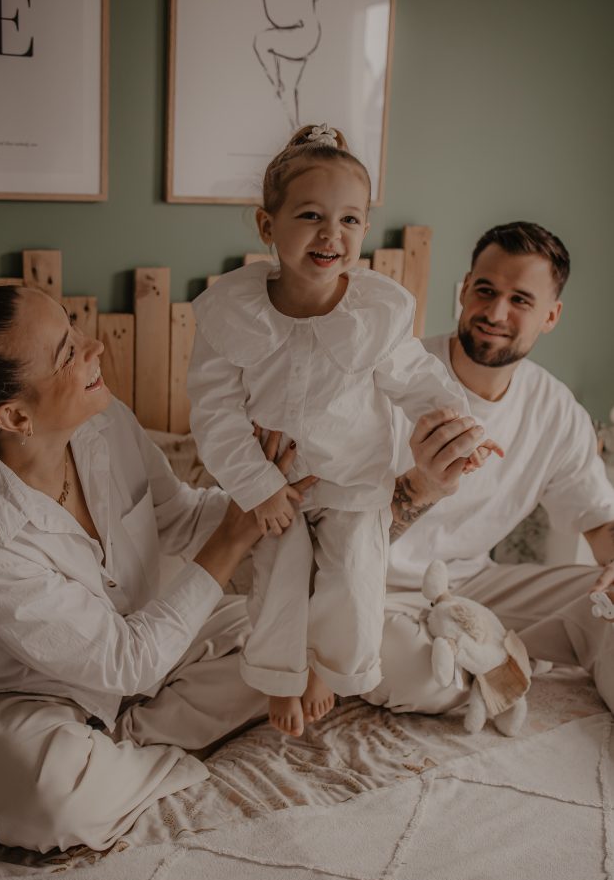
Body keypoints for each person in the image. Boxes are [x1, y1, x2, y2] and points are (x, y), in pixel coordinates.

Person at [0, 284, 316, 854]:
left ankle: (126, 736)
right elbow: (127, 659)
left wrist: (264, 494)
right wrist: (234, 537)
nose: (96, 348)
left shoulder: (106, 422)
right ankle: (114, 744)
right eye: (68, 352)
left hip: (136, 642)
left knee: (294, 643)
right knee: (50, 805)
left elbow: (181, 518)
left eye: (74, 327)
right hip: (9, 697)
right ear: (14, 414)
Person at [187, 123, 501, 737]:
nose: (333, 234)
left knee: (356, 573)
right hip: (278, 483)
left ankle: (328, 668)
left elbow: (418, 379)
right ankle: (279, 675)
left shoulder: (374, 313)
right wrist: (255, 485)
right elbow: (213, 411)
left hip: (357, 477)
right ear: (266, 226)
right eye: (310, 215)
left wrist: (460, 427)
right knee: (279, 571)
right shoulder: (232, 311)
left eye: (352, 219)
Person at [363, 220, 614, 715]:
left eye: (521, 300)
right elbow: (336, 531)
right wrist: (426, 484)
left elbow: (599, 520)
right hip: (375, 584)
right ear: (463, 291)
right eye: (485, 290)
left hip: (476, 586)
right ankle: (496, 661)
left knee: (606, 605)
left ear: (551, 315)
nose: (495, 312)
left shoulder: (556, 409)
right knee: (420, 675)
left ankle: (487, 654)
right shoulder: (393, 378)